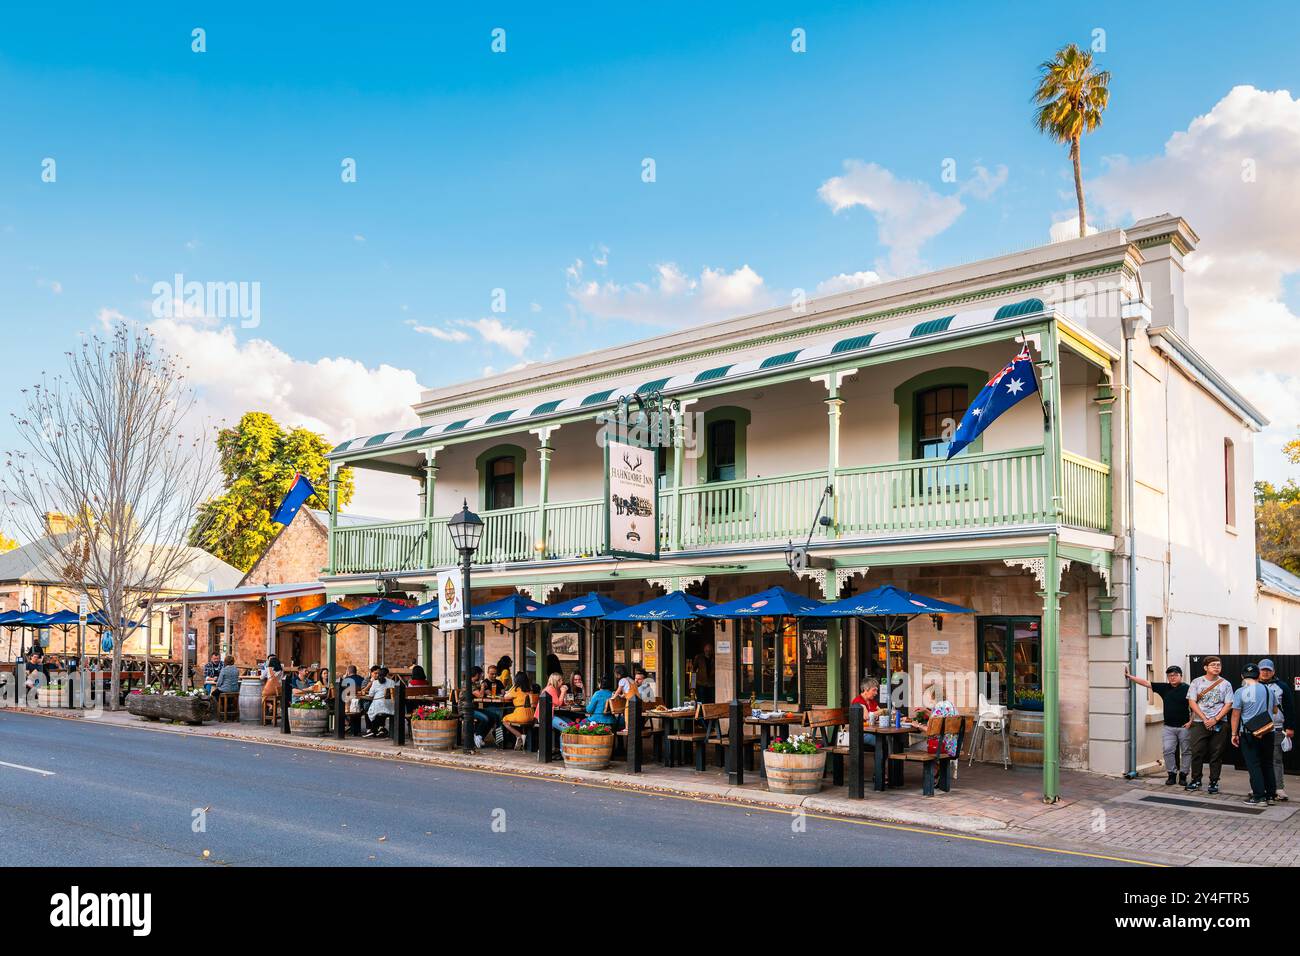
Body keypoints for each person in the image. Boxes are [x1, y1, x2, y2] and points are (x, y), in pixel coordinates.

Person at [1124, 664, 1192, 785]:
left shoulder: (1188, 688)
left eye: (1175, 675)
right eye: (1170, 675)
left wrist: (1191, 721)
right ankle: (1171, 774)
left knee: (1186, 751)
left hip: (1184, 727)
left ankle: (1183, 775)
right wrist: (1130, 677)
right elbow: (1146, 683)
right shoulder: (1164, 688)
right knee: (1168, 750)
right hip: (1168, 727)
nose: (1172, 677)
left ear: (1181, 676)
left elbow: (1196, 706)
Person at [1230, 663, 1280, 805]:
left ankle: (1259, 797)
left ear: (1242, 676)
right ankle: (1270, 796)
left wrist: (1234, 734)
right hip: (1268, 731)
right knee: (1268, 764)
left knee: (1254, 765)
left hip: (1249, 733)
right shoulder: (1268, 690)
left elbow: (1235, 714)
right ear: (1258, 676)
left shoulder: (1240, 691)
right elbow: (1275, 710)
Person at [1186, 656, 1234, 794]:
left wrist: (1216, 719)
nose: (1216, 667)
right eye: (1213, 665)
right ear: (1205, 667)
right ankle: (1196, 780)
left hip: (1220, 723)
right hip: (1200, 723)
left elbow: (1229, 703)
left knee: (1216, 754)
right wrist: (1205, 718)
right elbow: (1192, 702)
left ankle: (1214, 781)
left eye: (1218, 665)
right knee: (1197, 752)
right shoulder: (1197, 682)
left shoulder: (1226, 684)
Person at [1257, 659, 1295, 802]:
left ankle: (1279, 788)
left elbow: (1290, 707)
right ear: (1258, 671)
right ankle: (1257, 787)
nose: (1265, 672)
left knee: (1276, 760)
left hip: (1276, 728)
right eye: (1263, 670)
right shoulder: (1250, 685)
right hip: (1257, 728)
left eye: (1268, 670)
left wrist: (1290, 727)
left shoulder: (1282, 686)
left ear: (1273, 671)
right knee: (1257, 759)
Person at [501, 673, 535, 750]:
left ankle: (519, 736)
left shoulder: (516, 689)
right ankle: (521, 738)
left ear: (516, 680)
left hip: (521, 715)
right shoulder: (529, 690)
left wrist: (513, 686)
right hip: (531, 715)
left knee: (504, 720)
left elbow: (505, 697)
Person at [363, 666, 397, 738]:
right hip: (390, 706)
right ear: (387, 674)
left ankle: (373, 730)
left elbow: (371, 695)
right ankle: (380, 728)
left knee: (369, 711)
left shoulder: (375, 682)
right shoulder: (392, 682)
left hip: (378, 705)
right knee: (380, 711)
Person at [851, 677, 882, 750]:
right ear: (865, 690)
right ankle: (879, 761)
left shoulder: (872, 701)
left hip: (871, 731)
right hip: (860, 733)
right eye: (874, 690)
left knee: (889, 740)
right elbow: (867, 717)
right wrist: (880, 712)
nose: (876, 693)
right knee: (881, 742)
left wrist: (881, 712)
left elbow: (882, 713)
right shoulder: (858, 701)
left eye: (876, 691)